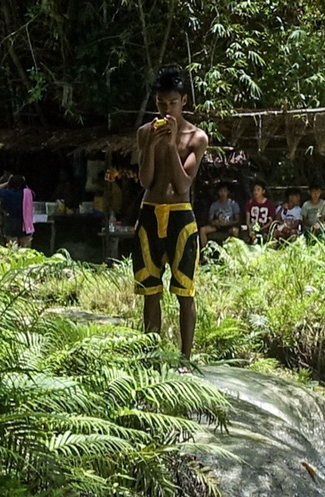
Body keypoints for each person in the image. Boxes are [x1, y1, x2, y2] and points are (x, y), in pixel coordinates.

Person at [133, 66, 208, 368]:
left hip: (180, 216)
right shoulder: (144, 133)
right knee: (150, 292)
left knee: (184, 292)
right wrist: (153, 144)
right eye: (162, 103)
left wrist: (173, 141)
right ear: (156, 103)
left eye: (173, 103)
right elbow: (146, 180)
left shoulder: (197, 138)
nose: (167, 109)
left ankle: (185, 359)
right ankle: (151, 357)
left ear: (184, 101)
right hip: (149, 213)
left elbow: (182, 184)